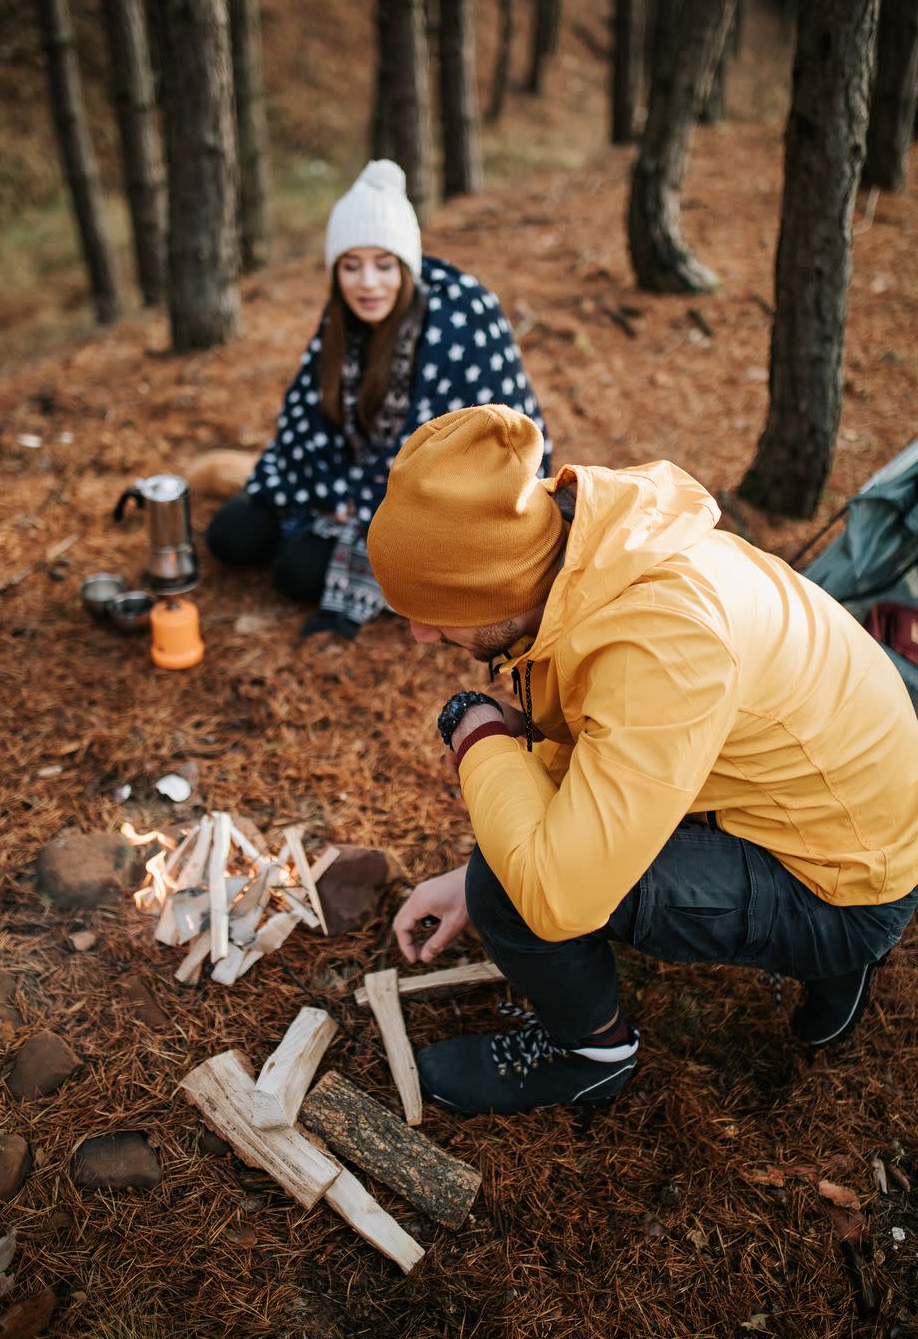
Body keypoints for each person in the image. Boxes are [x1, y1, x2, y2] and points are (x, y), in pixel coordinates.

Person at [366, 404, 918, 1116]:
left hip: (848, 886)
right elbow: (597, 740)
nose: (417, 634)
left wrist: (474, 732)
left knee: (515, 888)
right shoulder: (597, 555)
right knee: (516, 823)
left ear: (495, 583)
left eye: (433, 607)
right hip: (838, 821)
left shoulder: (661, 642)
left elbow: (560, 896)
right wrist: (467, 868)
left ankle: (588, 1053)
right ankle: (835, 954)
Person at [206, 160, 550, 637]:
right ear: (335, 271)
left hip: (435, 503)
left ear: (406, 265)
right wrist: (337, 494)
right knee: (228, 536)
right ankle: (319, 523)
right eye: (352, 265)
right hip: (342, 479)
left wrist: (371, 506)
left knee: (295, 574)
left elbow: (501, 449)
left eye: (383, 265)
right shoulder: (342, 320)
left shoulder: (461, 323)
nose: (368, 283)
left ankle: (331, 541)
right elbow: (307, 420)